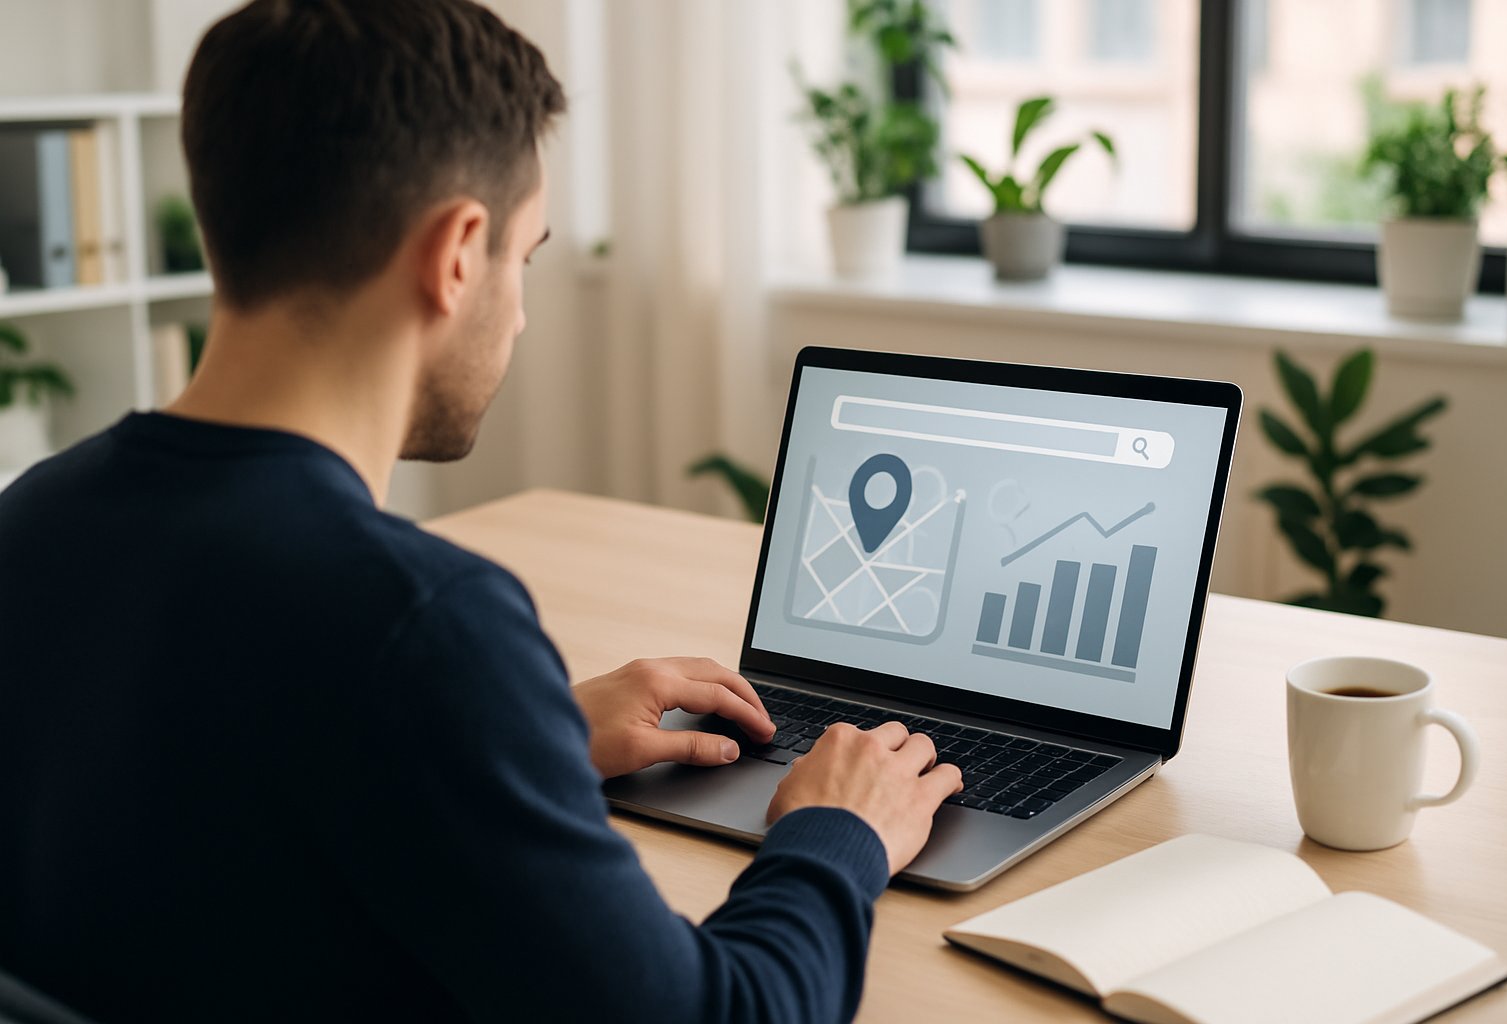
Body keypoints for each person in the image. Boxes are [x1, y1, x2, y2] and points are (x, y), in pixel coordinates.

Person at [0, 2, 962, 1022]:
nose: (521, 310)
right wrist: (836, 830)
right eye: (526, 258)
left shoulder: (34, 519)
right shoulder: (415, 626)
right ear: (458, 251)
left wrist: (520, 745)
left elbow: (210, 806)